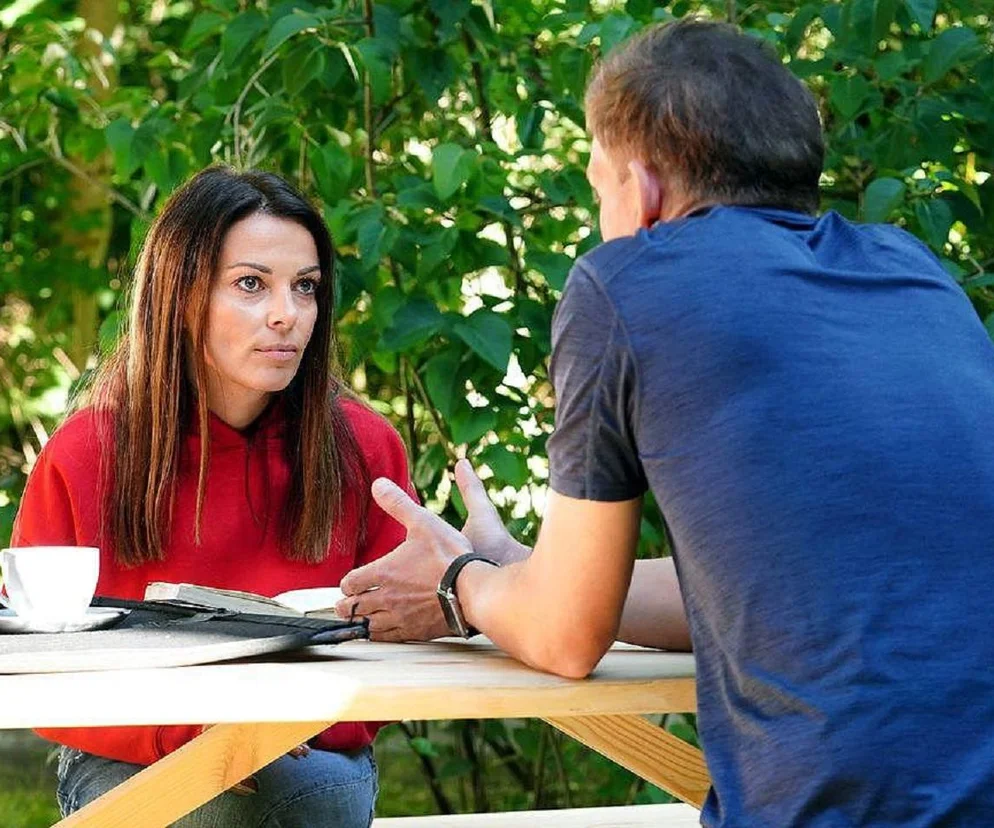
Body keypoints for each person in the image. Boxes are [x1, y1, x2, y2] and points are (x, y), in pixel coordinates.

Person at [335, 18, 994, 827]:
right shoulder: (913, 273)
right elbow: (754, 593)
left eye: (597, 187)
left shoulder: (626, 283)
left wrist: (457, 582)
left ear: (641, 190)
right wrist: (519, 569)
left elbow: (566, 637)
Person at [10, 167, 416, 826]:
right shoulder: (85, 453)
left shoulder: (366, 449)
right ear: (181, 295)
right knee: (218, 805)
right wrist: (196, 732)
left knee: (287, 795)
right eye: (251, 284)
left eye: (306, 286)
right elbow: (35, 667)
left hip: (314, 751)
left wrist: (283, 726)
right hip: (130, 753)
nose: (287, 314)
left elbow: (402, 647)